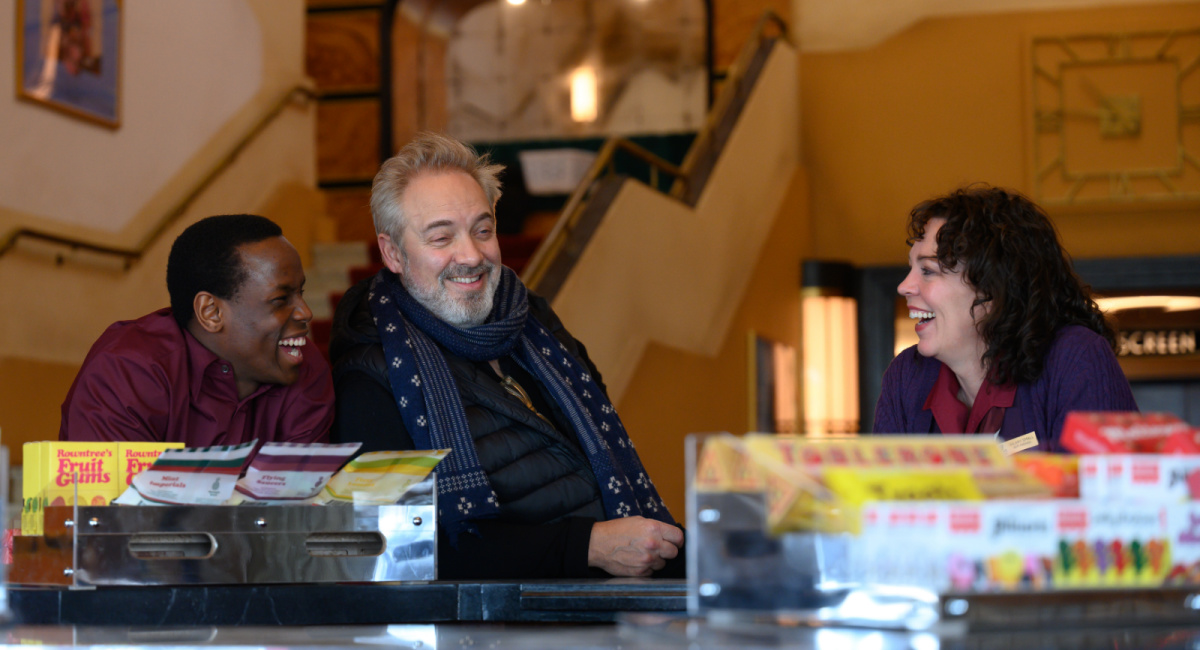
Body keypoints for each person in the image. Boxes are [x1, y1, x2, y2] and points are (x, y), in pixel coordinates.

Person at [329, 132, 683, 580]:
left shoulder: (537, 328)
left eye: (483, 230)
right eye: (441, 238)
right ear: (393, 253)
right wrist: (586, 546)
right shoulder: (371, 373)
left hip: (608, 607)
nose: (471, 255)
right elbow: (390, 548)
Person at [874, 186, 1137, 450]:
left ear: (992, 288)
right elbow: (877, 489)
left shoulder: (1076, 359)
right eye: (912, 269)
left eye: (928, 271)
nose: (904, 286)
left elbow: (1106, 486)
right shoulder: (907, 377)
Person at [60, 214, 333, 446]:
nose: (306, 312)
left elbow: (303, 499)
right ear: (211, 312)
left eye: (301, 293)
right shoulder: (127, 372)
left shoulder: (304, 367)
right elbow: (112, 506)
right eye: (281, 299)